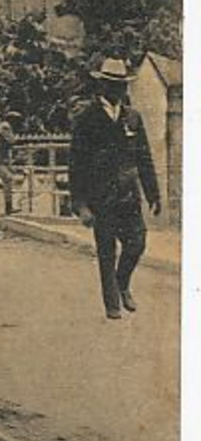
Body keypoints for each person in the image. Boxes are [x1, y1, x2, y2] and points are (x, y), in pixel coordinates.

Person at [68, 58, 160, 320]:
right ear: (102, 85)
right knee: (106, 251)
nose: (119, 90)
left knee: (137, 243)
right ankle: (112, 304)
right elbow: (76, 164)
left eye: (122, 85)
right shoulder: (87, 118)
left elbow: (144, 156)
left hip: (129, 196)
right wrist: (81, 205)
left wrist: (153, 194)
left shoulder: (133, 117)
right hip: (101, 197)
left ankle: (122, 283)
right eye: (113, 84)